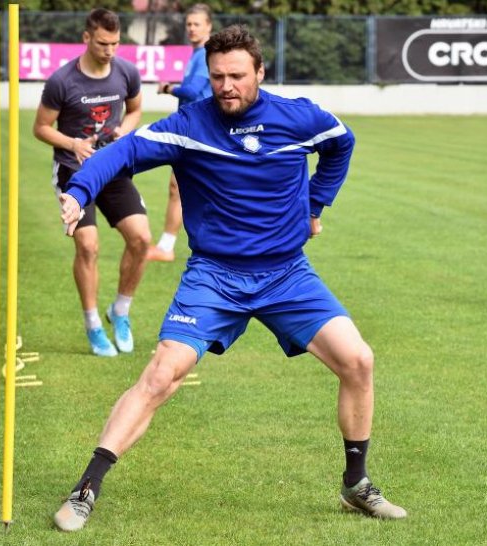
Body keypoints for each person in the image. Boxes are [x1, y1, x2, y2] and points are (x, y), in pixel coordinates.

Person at [52, 25, 407, 532]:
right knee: (159, 376)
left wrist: (315, 202)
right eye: (217, 76)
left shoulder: (299, 117)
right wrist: (80, 190)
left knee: (358, 360)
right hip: (214, 277)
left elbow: (340, 144)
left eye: (237, 76)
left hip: (287, 274)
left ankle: (356, 485)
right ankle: (86, 488)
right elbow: (124, 152)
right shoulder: (189, 125)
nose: (226, 86)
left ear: (260, 72)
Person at [33, 8, 151, 356]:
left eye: (115, 43)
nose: (110, 50)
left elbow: (135, 110)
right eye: (103, 43)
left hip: (112, 168)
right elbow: (40, 128)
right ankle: (93, 324)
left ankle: (120, 311)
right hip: (73, 171)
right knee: (88, 245)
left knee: (142, 239)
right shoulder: (62, 81)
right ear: (87, 38)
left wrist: (122, 133)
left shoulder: (126, 72)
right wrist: (73, 144)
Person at [146, 3, 213, 262]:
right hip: (194, 127)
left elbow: (193, 91)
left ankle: (167, 247)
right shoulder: (197, 53)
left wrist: (167, 88)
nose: (192, 28)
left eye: (197, 24)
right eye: (189, 24)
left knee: (184, 186)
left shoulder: (205, 53)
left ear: (208, 26)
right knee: (180, 187)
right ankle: (167, 246)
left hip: (201, 129)